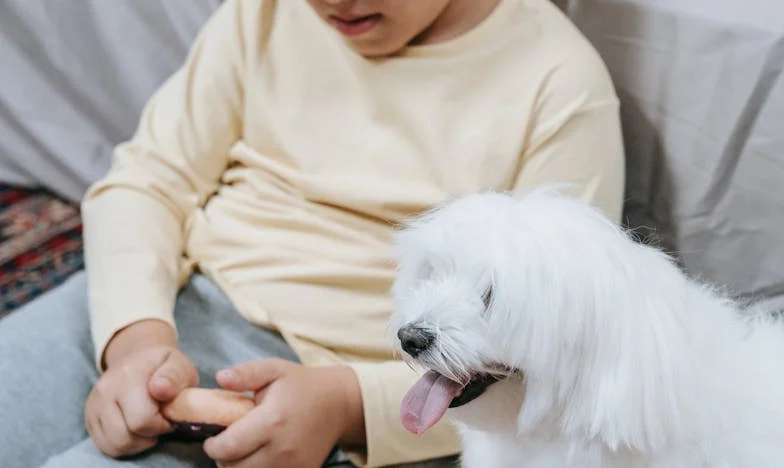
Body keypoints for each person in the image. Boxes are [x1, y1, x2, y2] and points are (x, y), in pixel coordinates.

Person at [0, 0, 625, 466]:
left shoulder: (558, 84)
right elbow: (147, 179)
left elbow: (560, 355)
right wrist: (134, 338)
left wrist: (349, 405)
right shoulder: (266, 13)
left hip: (345, 384)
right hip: (161, 304)